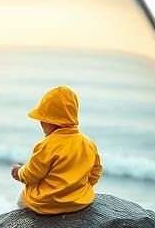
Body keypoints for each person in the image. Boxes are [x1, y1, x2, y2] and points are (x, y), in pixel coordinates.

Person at [11, 85, 103, 214]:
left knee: (22, 197)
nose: (40, 123)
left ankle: (19, 220)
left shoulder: (46, 146)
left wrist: (19, 172)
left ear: (51, 121)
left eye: (42, 119)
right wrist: (82, 188)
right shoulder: (88, 144)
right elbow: (95, 172)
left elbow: (31, 175)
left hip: (46, 204)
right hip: (79, 203)